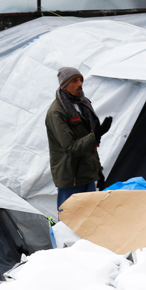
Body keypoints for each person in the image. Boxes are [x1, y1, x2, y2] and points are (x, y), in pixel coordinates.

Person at [45, 66, 113, 215]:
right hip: (71, 178)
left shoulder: (83, 104)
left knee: (88, 219)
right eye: (74, 81)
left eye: (81, 80)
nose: (80, 84)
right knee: (69, 220)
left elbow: (89, 146)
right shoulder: (57, 112)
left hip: (86, 175)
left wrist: (98, 172)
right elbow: (71, 148)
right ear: (64, 85)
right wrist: (96, 134)